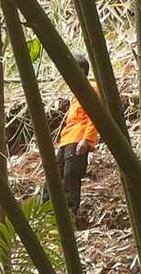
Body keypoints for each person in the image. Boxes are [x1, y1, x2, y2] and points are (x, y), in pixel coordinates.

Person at [45, 53, 99, 218]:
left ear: (83, 71)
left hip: (78, 138)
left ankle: (70, 214)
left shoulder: (91, 88)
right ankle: (44, 211)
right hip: (67, 139)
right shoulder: (76, 93)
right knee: (54, 175)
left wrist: (86, 139)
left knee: (71, 175)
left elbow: (95, 116)